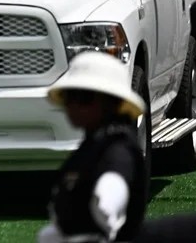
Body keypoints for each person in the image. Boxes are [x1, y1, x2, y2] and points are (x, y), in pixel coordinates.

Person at [38, 52, 147, 243]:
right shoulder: (89, 147)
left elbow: (108, 201)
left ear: (111, 103)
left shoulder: (119, 149)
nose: (73, 105)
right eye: (69, 97)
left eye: (84, 98)